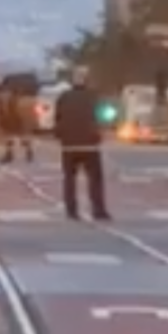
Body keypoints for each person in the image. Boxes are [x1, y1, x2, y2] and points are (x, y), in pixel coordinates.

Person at [52, 67, 112, 222]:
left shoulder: (63, 97)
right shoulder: (94, 97)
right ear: (87, 80)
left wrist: (61, 135)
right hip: (90, 145)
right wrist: (100, 131)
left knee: (69, 179)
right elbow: (106, 116)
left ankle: (71, 210)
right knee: (95, 179)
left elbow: (57, 118)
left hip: (69, 145)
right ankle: (98, 210)